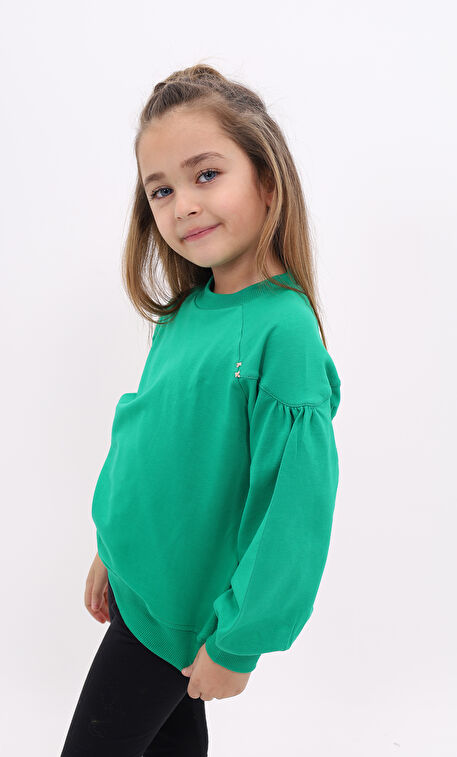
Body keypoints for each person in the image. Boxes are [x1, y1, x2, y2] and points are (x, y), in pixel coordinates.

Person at [60, 62, 341, 757]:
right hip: (140, 587)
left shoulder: (283, 331)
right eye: (161, 189)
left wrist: (239, 641)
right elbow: (146, 440)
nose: (182, 203)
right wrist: (110, 548)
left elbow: (293, 509)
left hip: (181, 612)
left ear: (267, 181)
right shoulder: (184, 315)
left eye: (206, 174)